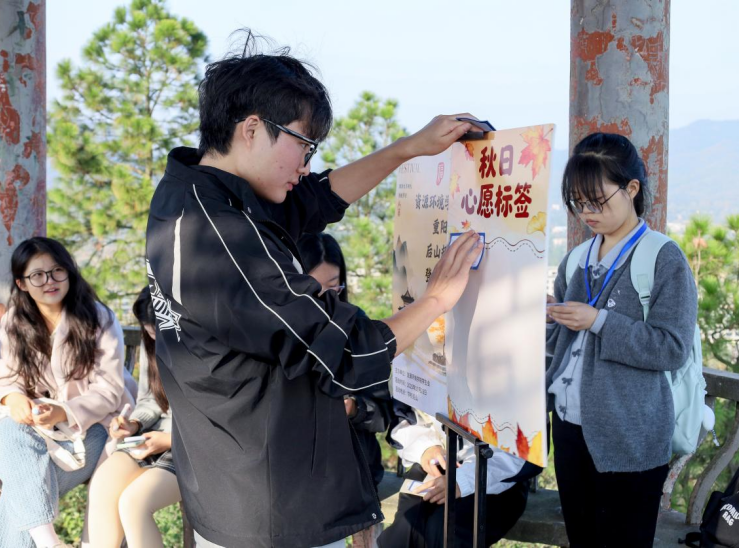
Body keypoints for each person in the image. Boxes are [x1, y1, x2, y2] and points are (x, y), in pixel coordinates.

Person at [145, 33, 483, 548]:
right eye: (303, 145)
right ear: (252, 129)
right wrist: (437, 299)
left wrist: (407, 149)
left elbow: (311, 200)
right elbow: (345, 350)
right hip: (270, 505)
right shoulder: (222, 234)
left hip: (228, 486)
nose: (306, 164)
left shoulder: (189, 192)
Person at [546, 133, 698, 548]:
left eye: (597, 201)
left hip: (630, 434)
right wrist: (550, 318)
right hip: (569, 428)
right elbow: (559, 346)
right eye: (578, 202)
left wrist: (599, 321)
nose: (587, 213)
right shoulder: (576, 258)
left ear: (632, 188)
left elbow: (672, 347)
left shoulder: (663, 258)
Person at [0, 237, 133, 549]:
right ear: (22, 283)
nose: (49, 281)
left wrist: (64, 411)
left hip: (96, 425)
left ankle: (48, 543)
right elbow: (7, 378)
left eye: (57, 271)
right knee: (8, 430)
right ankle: (50, 544)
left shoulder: (98, 317)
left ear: (69, 272)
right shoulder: (15, 321)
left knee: (21, 486)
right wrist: (13, 398)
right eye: (37, 275)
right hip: (39, 430)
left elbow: (110, 390)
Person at [297, 232, 393, 489]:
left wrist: (354, 408)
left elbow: (382, 412)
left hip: (353, 471)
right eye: (313, 289)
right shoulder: (281, 329)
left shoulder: (357, 324)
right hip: (299, 473)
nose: (325, 299)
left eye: (333, 288)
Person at [87, 287, 179, 547]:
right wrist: (134, 424)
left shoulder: (203, 348)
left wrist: (169, 440)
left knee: (134, 503)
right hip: (153, 438)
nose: (153, 336)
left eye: (157, 329)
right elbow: (151, 399)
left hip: (191, 446)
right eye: (148, 330)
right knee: (103, 483)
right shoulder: (153, 341)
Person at [378, 407, 538, 548]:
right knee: (406, 526)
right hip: (437, 459)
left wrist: (463, 480)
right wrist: (426, 447)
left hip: (496, 479)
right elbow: (405, 414)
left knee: (445, 531)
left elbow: (527, 451)